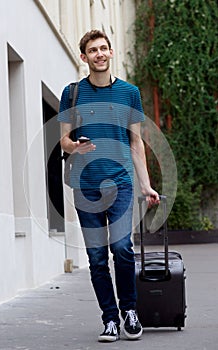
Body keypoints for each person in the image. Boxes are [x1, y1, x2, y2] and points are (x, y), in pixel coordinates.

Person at [58, 29, 159, 342]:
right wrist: (76, 147)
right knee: (98, 257)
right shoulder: (72, 93)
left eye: (103, 48)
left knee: (121, 249)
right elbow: (63, 139)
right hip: (85, 184)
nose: (99, 54)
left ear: (111, 53)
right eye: (92, 50)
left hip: (121, 184)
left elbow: (135, 142)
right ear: (84, 57)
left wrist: (146, 185)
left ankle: (129, 311)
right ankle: (110, 319)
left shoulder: (129, 92)